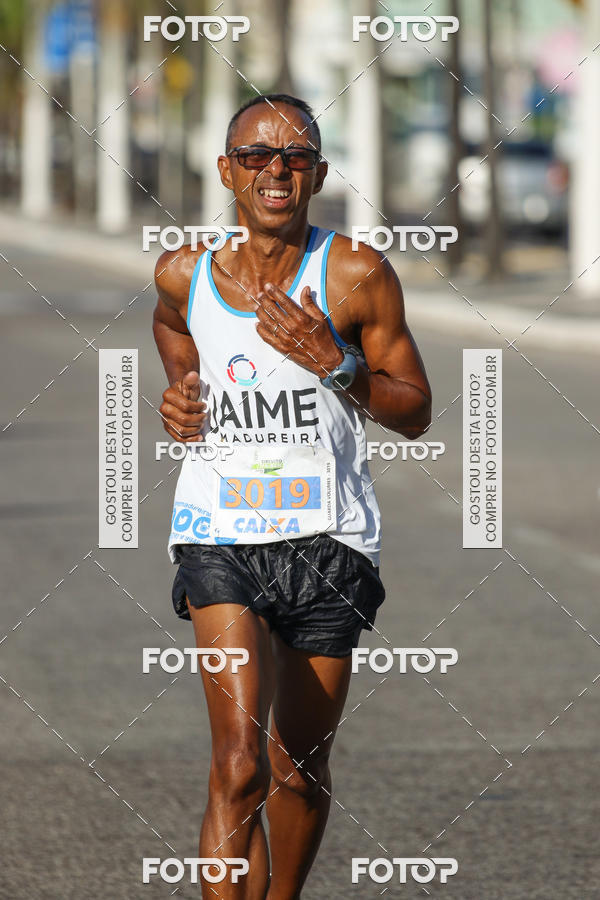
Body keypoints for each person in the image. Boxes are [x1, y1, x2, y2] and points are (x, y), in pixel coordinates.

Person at [152, 93, 431, 899]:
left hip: (329, 540)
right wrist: (182, 390)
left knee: (296, 770)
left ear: (318, 173)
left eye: (295, 156)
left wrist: (336, 364)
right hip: (219, 530)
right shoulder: (183, 270)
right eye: (256, 157)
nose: (276, 170)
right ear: (226, 172)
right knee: (237, 765)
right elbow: (173, 324)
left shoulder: (354, 275)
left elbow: (413, 410)